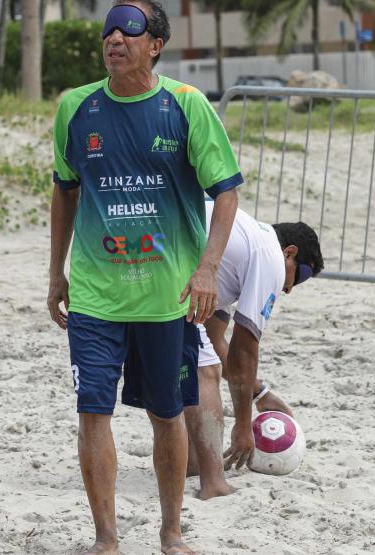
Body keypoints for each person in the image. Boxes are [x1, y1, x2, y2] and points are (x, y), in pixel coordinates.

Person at [47, 1, 241, 552]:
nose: (114, 38)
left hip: (166, 295)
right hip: (95, 294)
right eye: (108, 29)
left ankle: (171, 533)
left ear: (155, 45)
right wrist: (56, 272)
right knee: (92, 413)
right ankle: (106, 540)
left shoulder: (185, 104)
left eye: (129, 29)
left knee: (166, 414)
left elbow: (227, 192)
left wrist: (207, 269)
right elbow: (65, 191)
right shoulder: (75, 107)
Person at [183, 202, 323, 499]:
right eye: (300, 276)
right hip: (164, 274)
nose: (289, 289)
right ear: (290, 253)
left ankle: (192, 465)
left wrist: (260, 393)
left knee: (192, 363)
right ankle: (214, 484)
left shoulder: (240, 252)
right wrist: (243, 426)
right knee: (205, 372)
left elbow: (214, 340)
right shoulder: (269, 258)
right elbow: (243, 351)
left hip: (146, 261)